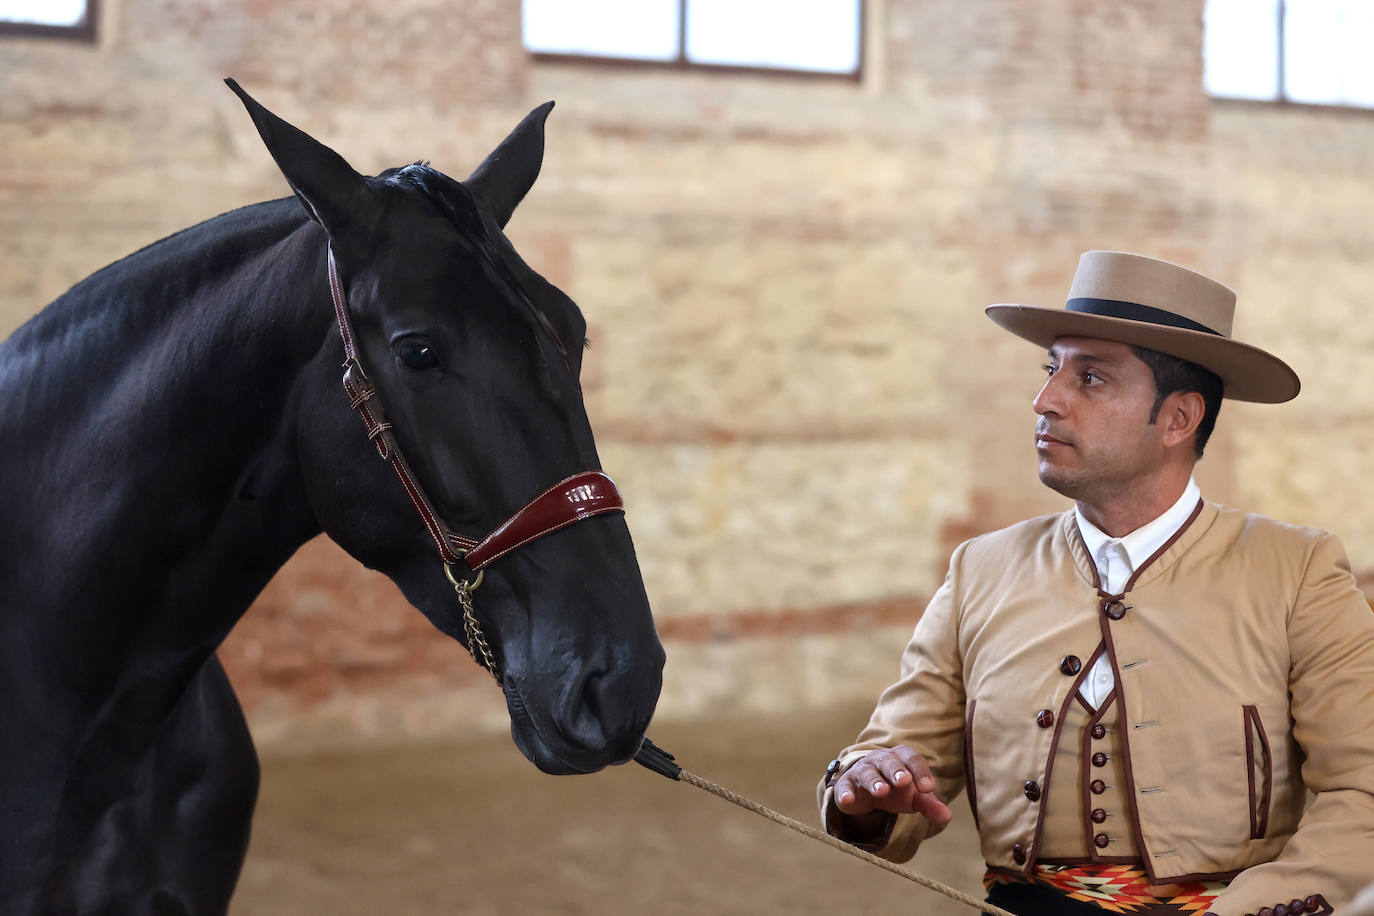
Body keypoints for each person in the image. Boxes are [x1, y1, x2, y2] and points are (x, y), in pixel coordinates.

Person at [817, 251, 1374, 916]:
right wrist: (869, 789)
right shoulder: (978, 570)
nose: (1045, 400)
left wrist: (1259, 907)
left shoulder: (1298, 571)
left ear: (1178, 419)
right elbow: (894, 763)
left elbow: (1363, 790)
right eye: (1051, 370)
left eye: (1091, 378)